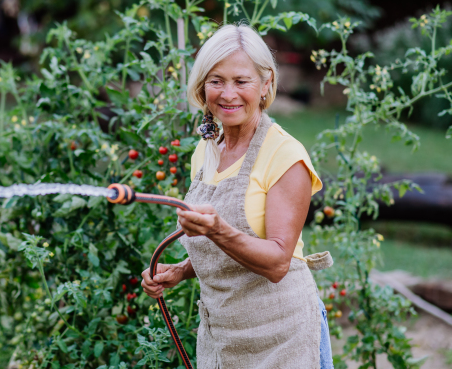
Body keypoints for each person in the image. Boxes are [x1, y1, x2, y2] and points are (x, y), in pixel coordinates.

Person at [141, 24, 334, 368]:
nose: (228, 94)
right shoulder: (205, 153)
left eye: (241, 81)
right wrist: (183, 270)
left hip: (284, 339)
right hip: (222, 340)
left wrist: (217, 229)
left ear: (266, 84)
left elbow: (276, 262)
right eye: (216, 81)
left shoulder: (285, 155)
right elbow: (227, 250)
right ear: (202, 87)